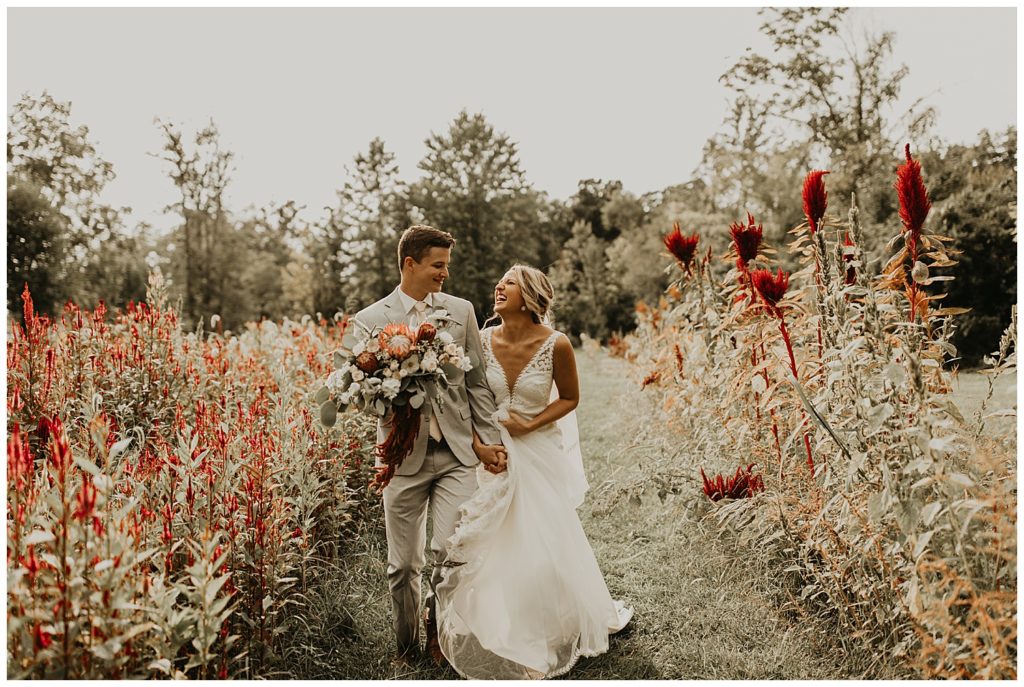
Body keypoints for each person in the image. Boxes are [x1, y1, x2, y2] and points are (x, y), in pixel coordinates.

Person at [435, 263, 633, 679]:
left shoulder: (556, 344)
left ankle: (542, 630)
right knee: (494, 540)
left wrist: (529, 423)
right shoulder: (481, 340)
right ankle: (495, 621)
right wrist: (478, 444)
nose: (498, 286)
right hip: (491, 451)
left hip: (536, 447)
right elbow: (464, 401)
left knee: (540, 540)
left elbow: (570, 399)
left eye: (508, 283)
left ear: (529, 297)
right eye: (499, 281)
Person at [352, 225, 508, 668]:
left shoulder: (461, 312)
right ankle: (405, 648)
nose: (445, 274)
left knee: (450, 553)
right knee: (402, 566)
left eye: (447, 266)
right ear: (410, 264)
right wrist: (390, 387)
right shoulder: (370, 319)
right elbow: (360, 392)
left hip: (457, 454)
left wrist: (487, 440)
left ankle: (441, 634)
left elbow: (476, 383)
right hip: (402, 457)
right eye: (438, 265)